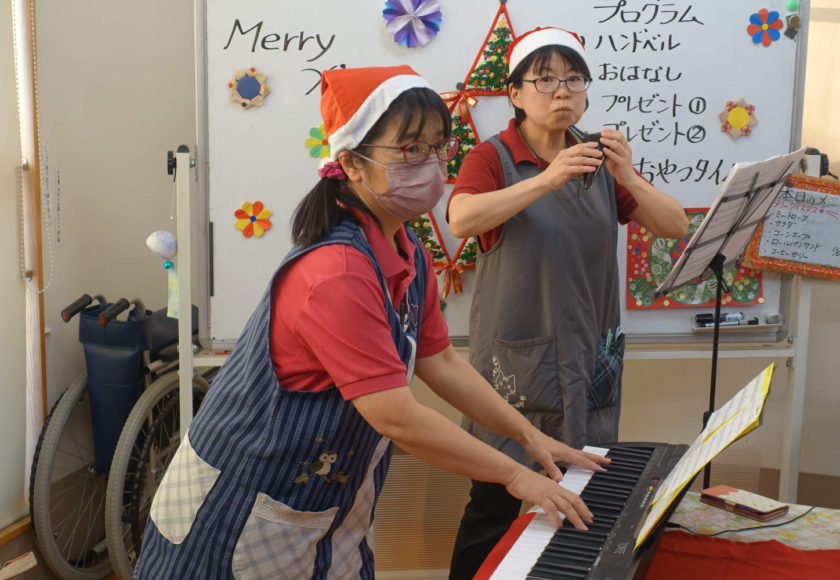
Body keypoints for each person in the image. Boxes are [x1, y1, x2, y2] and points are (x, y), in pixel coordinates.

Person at [134, 65, 610, 580]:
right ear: (351, 164)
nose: (430, 164)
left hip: (317, 509)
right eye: (409, 150)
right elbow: (397, 417)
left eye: (437, 147)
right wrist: (518, 476)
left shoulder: (410, 252)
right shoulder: (334, 271)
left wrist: (529, 436)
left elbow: (443, 362)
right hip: (235, 509)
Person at [447, 28, 690, 577]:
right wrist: (546, 179)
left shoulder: (600, 159)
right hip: (514, 365)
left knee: (580, 504)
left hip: (589, 356)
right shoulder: (492, 156)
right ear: (514, 92)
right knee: (496, 507)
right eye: (545, 79)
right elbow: (460, 218)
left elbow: (674, 225)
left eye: (573, 79)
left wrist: (626, 172)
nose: (562, 92)